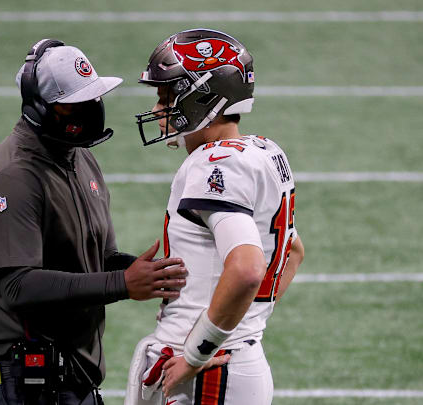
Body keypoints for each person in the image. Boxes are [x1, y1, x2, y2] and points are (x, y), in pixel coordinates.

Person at [0, 39, 188, 405]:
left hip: (69, 373)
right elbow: (18, 286)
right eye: (76, 104)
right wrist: (124, 283)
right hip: (21, 377)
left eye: (94, 98)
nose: (91, 109)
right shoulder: (11, 178)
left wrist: (149, 273)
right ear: (39, 108)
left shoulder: (78, 158)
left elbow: (98, 259)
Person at [125, 29, 305, 405]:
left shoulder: (213, 165)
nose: (160, 108)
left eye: (167, 95)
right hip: (235, 359)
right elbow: (293, 252)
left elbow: (247, 269)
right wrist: (245, 326)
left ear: (203, 94)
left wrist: (196, 353)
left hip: (212, 374)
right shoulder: (263, 151)